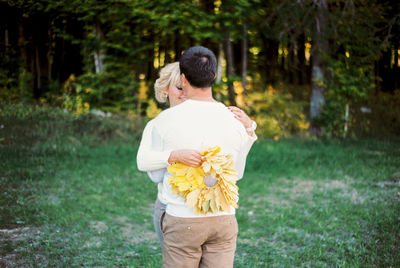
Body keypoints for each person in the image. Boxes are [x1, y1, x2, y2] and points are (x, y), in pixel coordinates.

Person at [137, 46, 256, 267]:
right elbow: (236, 174)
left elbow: (152, 174)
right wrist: (250, 132)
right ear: (214, 76)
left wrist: (172, 157)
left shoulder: (163, 121)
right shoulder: (235, 120)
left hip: (182, 219)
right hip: (224, 218)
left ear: (183, 78)